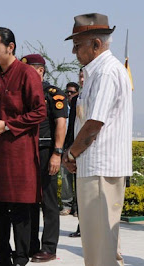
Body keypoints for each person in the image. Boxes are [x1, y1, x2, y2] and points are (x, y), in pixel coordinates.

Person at [63, 13, 132, 266]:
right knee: (98, 246)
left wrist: (70, 155)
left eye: (78, 44)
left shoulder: (106, 72)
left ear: (96, 44)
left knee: (101, 249)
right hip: (92, 166)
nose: (74, 51)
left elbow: (94, 124)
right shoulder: (95, 73)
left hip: (102, 168)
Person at [0, 27, 46, 266]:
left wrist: (8, 125)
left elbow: (39, 111)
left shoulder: (27, 74)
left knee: (20, 206)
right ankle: (2, 255)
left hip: (19, 149)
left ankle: (21, 258)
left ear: (11, 47)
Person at [20, 54, 68, 263]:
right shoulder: (22, 93)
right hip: (25, 152)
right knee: (28, 200)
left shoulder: (53, 93)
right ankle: (30, 245)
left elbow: (60, 124)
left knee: (48, 201)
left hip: (47, 150)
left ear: (39, 71)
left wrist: (57, 154)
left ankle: (49, 247)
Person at [60, 81, 80, 217]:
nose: (69, 94)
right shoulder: (60, 107)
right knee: (66, 178)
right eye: (67, 92)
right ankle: (66, 205)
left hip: (76, 147)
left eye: (72, 92)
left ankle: (78, 207)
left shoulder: (78, 106)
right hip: (63, 147)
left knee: (78, 179)